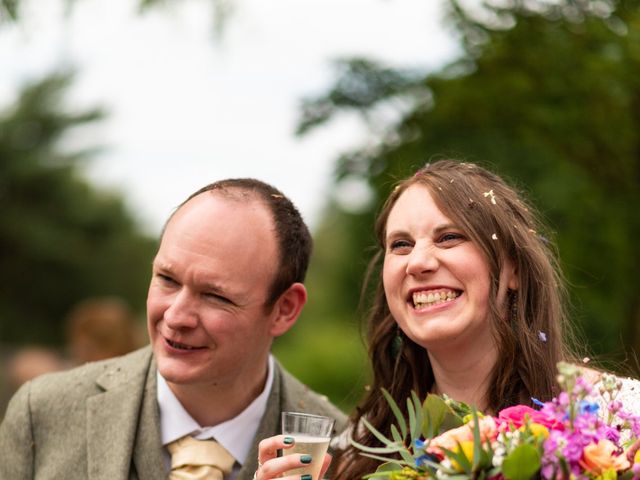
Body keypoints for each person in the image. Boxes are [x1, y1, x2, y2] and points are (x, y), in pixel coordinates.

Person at [255, 159, 622, 479]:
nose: (418, 262)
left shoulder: (616, 419)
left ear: (513, 270)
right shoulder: (356, 454)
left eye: (448, 237)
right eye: (400, 244)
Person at [0, 178, 346, 480]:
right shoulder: (42, 411)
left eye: (214, 296)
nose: (176, 315)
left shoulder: (348, 452)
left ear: (284, 310)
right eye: (167, 279)